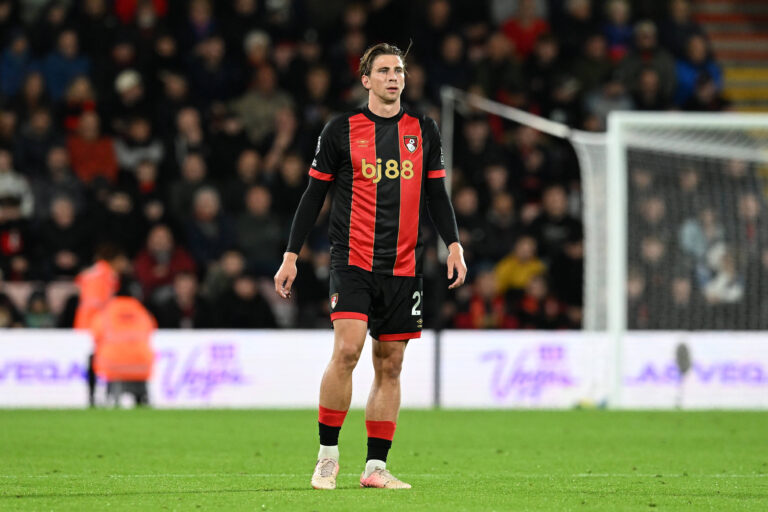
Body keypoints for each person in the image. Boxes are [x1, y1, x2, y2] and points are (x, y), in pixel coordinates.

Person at [274, 42, 467, 491]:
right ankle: (327, 456)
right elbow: (313, 194)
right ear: (366, 80)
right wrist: (291, 254)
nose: (393, 77)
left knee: (392, 364)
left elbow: (436, 193)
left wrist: (453, 244)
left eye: (398, 70)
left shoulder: (424, 130)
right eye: (383, 71)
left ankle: (375, 467)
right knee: (347, 350)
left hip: (403, 264)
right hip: (353, 259)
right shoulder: (341, 130)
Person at [74, 243, 131, 406]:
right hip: (96, 324)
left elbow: (80, 282)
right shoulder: (106, 276)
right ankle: (103, 396)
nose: (124, 264)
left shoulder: (94, 272)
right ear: (115, 260)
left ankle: (94, 396)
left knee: (94, 358)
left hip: (85, 322)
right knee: (103, 359)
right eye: (122, 260)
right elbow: (101, 303)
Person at [90, 286, 156, 407]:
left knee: (91, 357)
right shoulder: (142, 312)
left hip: (113, 366)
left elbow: (95, 335)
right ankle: (142, 399)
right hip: (142, 366)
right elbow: (150, 331)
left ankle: (92, 400)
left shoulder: (106, 312)